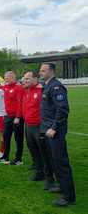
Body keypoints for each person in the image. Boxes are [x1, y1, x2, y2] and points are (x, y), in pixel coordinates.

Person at [39, 63, 76, 207]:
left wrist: (54, 128)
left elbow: (63, 110)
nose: (40, 73)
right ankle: (61, 186)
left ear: (51, 71)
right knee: (54, 161)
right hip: (48, 131)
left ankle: (68, 196)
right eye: (40, 70)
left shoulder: (56, 86)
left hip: (55, 132)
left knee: (61, 163)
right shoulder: (47, 85)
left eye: (43, 70)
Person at [0, 71, 24, 165]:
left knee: (18, 139)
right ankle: (5, 157)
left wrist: (18, 117)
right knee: (6, 137)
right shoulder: (5, 87)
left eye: (7, 78)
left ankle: (18, 159)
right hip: (7, 116)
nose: (6, 79)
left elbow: (20, 103)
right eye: (5, 78)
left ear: (13, 77)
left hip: (16, 117)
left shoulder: (18, 87)